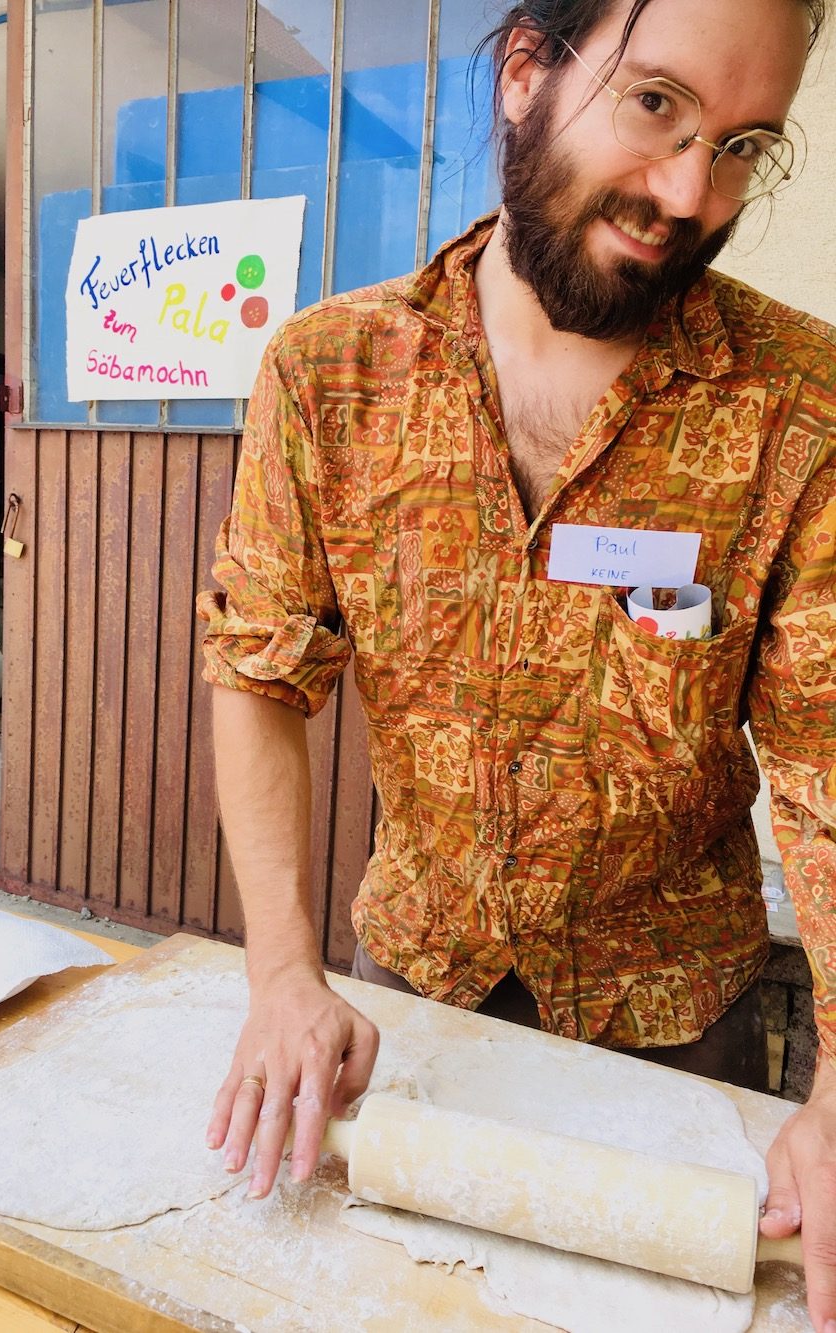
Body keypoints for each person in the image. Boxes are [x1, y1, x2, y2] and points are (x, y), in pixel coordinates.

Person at [198, 0, 836, 1325]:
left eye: (743, 145)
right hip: (415, 999)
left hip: (681, 1031)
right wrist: (279, 977)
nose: (687, 192)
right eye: (656, 104)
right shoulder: (329, 379)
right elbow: (258, 673)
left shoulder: (801, 409)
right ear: (528, 71)